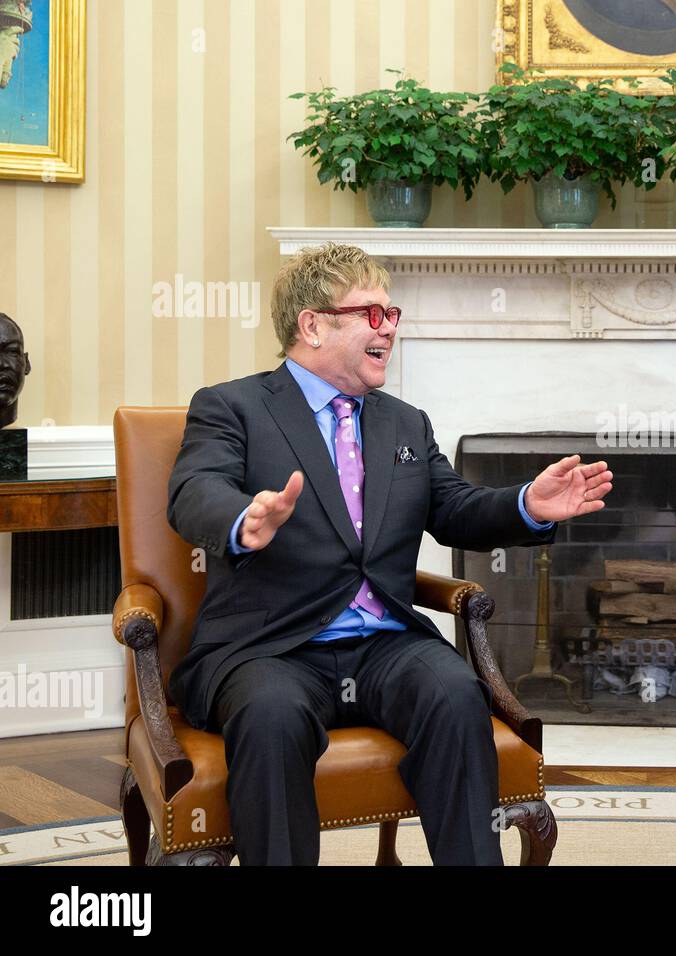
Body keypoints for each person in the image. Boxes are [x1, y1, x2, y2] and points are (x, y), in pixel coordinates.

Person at [167, 242, 613, 865]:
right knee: (270, 719)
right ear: (314, 325)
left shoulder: (405, 423)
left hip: (385, 644)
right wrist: (245, 519)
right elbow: (194, 492)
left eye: (393, 313)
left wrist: (527, 507)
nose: (390, 328)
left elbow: (453, 508)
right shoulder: (232, 406)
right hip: (272, 646)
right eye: (372, 314)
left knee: (458, 695)